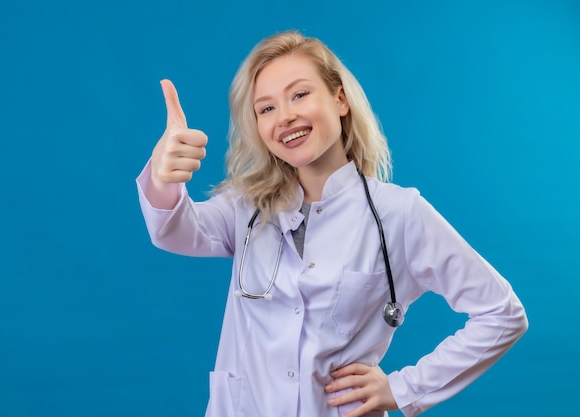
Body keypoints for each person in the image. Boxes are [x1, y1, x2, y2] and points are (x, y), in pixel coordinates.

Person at [136, 30, 528, 417]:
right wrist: (162, 177)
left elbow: (502, 313)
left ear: (339, 98)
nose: (285, 116)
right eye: (266, 108)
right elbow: (173, 229)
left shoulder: (398, 214)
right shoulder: (246, 209)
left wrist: (403, 388)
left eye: (299, 94)